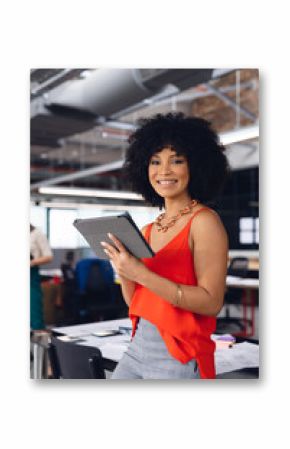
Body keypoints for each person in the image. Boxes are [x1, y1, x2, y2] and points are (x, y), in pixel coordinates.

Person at [101, 112, 229, 379]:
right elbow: (136, 301)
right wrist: (124, 270)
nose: (164, 171)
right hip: (137, 348)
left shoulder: (204, 222)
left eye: (177, 161)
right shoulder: (147, 230)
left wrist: (140, 273)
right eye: (155, 161)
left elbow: (211, 302)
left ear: (196, 166)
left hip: (179, 354)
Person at [30, 224, 53, 330]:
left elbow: (48, 256)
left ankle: (38, 344)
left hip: (31, 274)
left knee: (35, 314)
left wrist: (31, 262)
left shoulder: (37, 233)